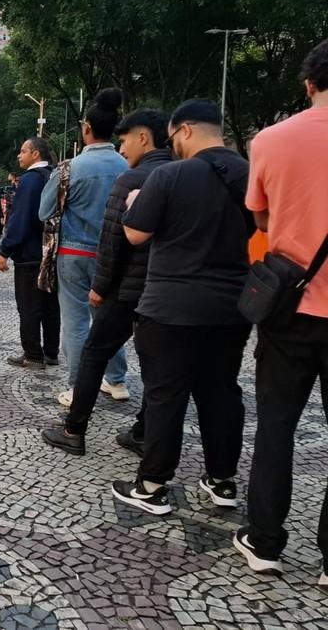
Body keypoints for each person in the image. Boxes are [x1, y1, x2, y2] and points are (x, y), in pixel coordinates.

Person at [111, 99, 252, 516]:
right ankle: (222, 481)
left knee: (165, 394)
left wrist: (134, 202)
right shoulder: (249, 174)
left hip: (170, 305)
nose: (172, 144)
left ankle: (152, 485)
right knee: (222, 391)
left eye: (173, 136)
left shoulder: (170, 174)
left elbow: (135, 234)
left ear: (185, 130)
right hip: (231, 306)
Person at [235, 40, 328, 584]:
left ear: (309, 84)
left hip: (290, 306)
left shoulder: (271, 140)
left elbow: (262, 220)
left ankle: (265, 540)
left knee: (276, 426)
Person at [42, 109, 172, 456]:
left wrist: (100, 287)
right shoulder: (175, 173)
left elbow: (111, 239)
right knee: (159, 362)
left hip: (96, 264)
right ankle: (121, 388)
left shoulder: (93, 170)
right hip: (164, 285)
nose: (122, 147)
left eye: (126, 140)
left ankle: (75, 417)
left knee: (83, 331)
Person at [40, 87, 129, 406]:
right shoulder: (127, 167)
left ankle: (78, 386)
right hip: (114, 255)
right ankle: (116, 379)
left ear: (86, 128)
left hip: (74, 252)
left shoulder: (69, 168)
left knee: (76, 322)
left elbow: (44, 211)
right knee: (109, 319)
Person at [0, 138, 59, 368]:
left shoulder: (30, 180)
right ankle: (51, 351)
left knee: (29, 304)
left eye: (23, 151)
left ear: (35, 154)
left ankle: (33, 354)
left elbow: (20, 218)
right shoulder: (53, 176)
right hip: (51, 250)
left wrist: (5, 250)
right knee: (50, 304)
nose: (18, 155)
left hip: (30, 252)